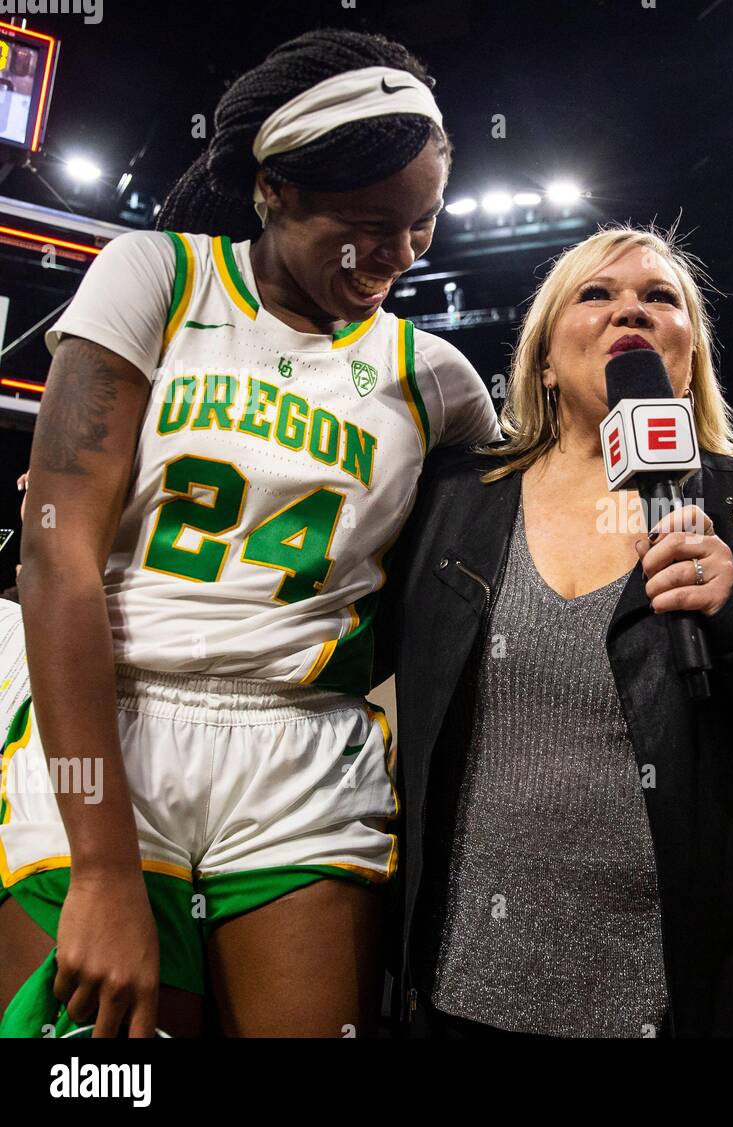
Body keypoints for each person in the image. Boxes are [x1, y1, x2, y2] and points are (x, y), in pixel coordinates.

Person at [1, 29, 500, 1038]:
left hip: (305, 745)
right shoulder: (160, 277)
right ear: (273, 190)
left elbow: (512, 550)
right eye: (367, 225)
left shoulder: (436, 375)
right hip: (111, 725)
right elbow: (58, 556)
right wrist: (102, 867)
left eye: (424, 222)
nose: (398, 256)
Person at [378, 226, 733, 1038]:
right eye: (597, 294)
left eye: (660, 298)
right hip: (464, 1002)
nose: (632, 311)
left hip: (705, 1007)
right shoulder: (449, 500)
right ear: (544, 358)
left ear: (689, 359)